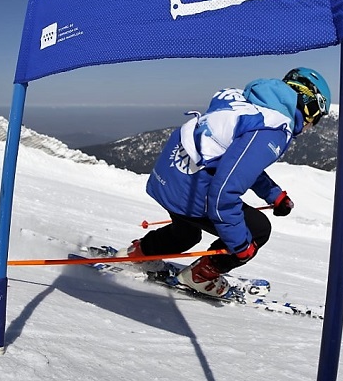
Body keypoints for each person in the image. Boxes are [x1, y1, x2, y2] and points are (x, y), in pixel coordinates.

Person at [119, 67, 331, 297]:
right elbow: (224, 193)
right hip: (192, 190)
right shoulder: (274, 129)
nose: (312, 127)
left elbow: (234, 161)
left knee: (186, 233)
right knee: (258, 229)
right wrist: (239, 247)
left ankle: (140, 253)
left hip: (169, 179)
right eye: (316, 119)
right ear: (309, 107)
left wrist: (274, 194)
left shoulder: (250, 103)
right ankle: (201, 275)